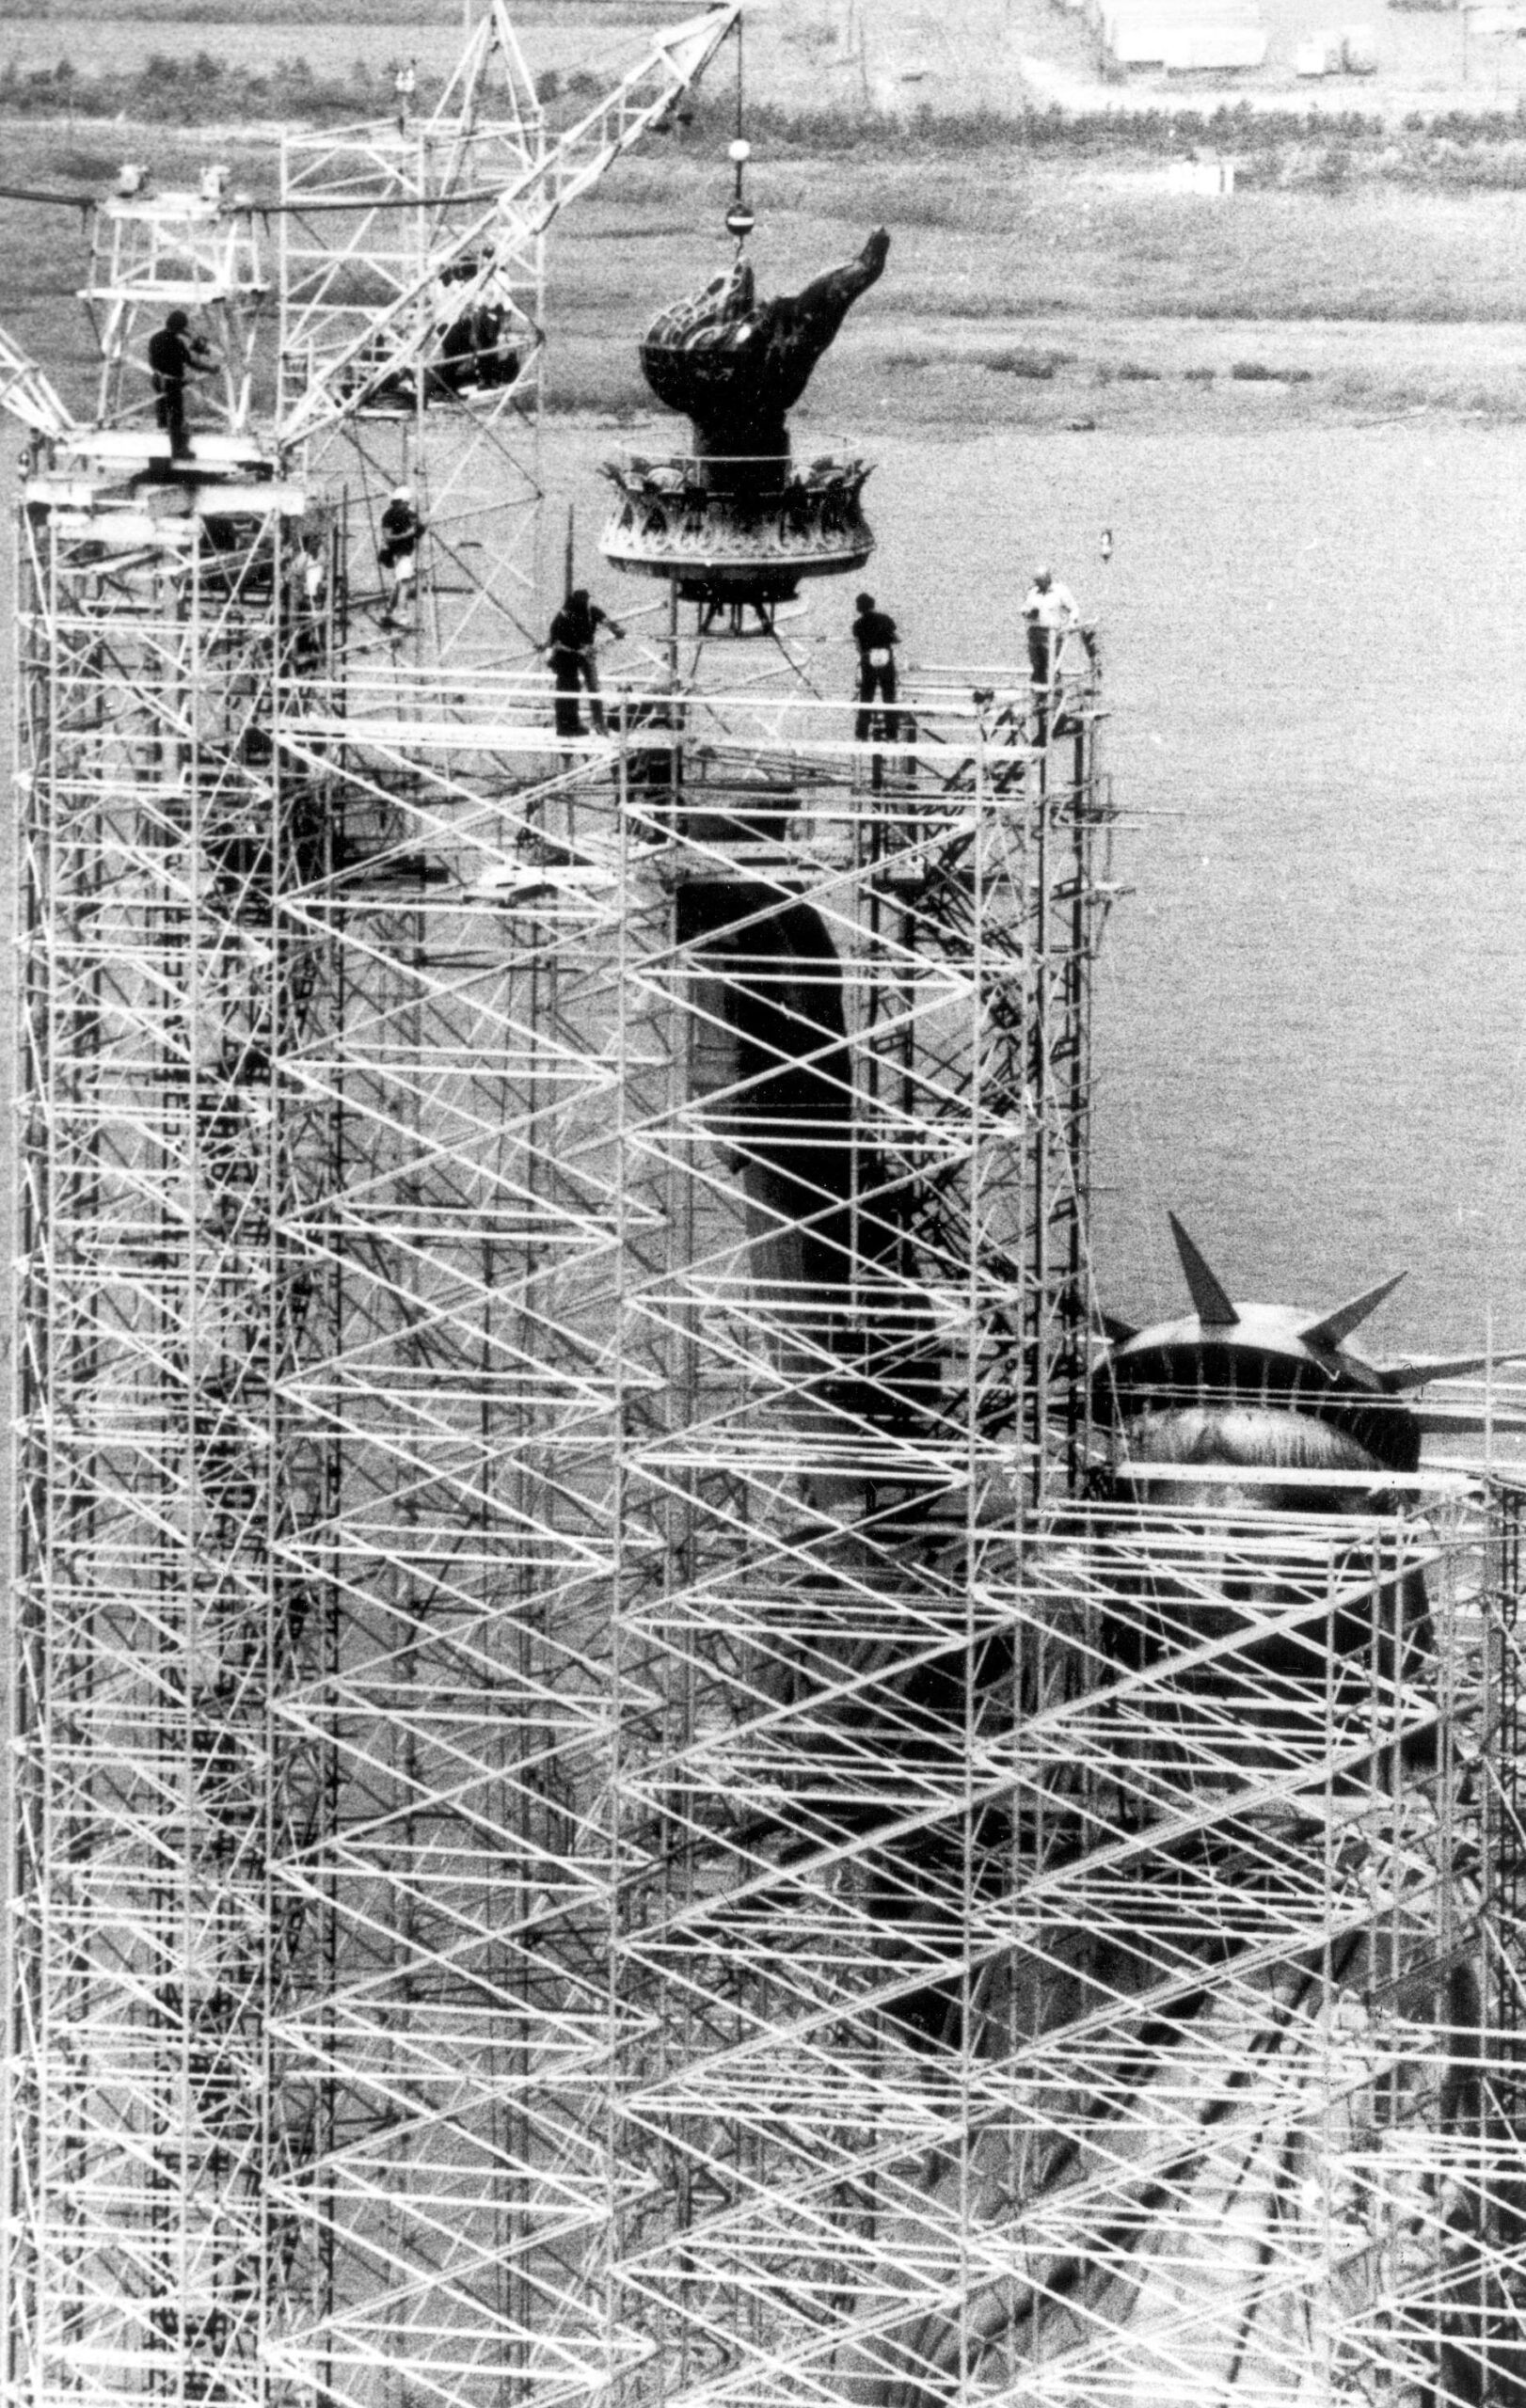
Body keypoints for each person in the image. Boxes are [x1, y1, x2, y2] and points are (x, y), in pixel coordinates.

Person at [546, 588, 626, 739]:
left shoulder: (568, 612)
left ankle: (571, 726)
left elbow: (554, 635)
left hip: (572, 655)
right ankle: (584, 725)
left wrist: (617, 631)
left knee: (570, 690)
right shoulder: (584, 612)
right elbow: (609, 623)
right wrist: (618, 632)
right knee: (580, 689)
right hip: (571, 656)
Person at [147, 309, 215, 461]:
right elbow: (191, 362)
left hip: (158, 379)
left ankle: (162, 433)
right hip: (172, 382)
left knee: (163, 410)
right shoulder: (176, 343)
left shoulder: (155, 338)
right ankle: (178, 450)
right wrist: (210, 369)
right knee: (176, 416)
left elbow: (152, 360)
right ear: (181, 327)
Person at [1023, 564, 1080, 692]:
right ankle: (1037, 698)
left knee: (1053, 666)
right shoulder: (1032, 592)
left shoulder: (1060, 591)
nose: (1038, 584)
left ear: (1048, 579)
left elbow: (1074, 609)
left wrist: (1071, 622)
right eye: (1036, 582)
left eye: (1040, 581)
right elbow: (1024, 609)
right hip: (1034, 633)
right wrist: (1029, 612)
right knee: (1037, 666)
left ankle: (1056, 695)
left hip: (1052, 634)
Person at [851, 592, 898, 745]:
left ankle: (862, 733)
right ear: (873, 604)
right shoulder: (885, 619)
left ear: (859, 608)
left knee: (867, 696)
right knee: (889, 696)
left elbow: (859, 647)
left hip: (869, 657)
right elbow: (897, 638)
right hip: (885, 656)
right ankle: (892, 734)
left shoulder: (858, 625)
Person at [377, 486, 422, 626]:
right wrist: (407, 534)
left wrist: (419, 526)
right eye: (405, 503)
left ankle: (388, 613)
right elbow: (388, 537)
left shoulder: (409, 515)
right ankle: (402, 615)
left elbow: (418, 531)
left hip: (406, 554)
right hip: (398, 555)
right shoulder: (390, 516)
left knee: (399, 584)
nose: (406, 506)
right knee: (404, 583)